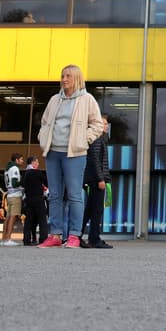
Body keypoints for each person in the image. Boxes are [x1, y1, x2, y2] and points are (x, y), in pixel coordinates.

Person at [36, 64, 105, 249]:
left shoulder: (86, 99)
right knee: (54, 195)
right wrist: (43, 140)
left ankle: (74, 235)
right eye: (62, 76)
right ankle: (55, 234)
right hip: (53, 152)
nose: (64, 79)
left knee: (75, 195)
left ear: (77, 79)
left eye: (68, 76)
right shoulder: (54, 100)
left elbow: (98, 125)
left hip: (74, 153)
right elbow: (44, 123)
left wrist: (84, 140)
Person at [82, 127, 113, 249]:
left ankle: (80, 236)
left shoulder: (100, 139)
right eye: (104, 123)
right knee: (96, 210)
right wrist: (101, 179)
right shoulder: (96, 139)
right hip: (96, 180)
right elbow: (94, 160)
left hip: (96, 179)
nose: (106, 126)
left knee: (90, 210)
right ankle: (94, 239)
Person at [22, 155, 48, 246]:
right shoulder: (37, 173)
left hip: (28, 199)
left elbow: (22, 185)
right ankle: (43, 239)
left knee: (28, 220)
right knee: (42, 220)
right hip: (38, 198)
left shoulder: (25, 173)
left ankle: (26, 240)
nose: (38, 164)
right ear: (33, 163)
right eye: (36, 162)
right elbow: (46, 182)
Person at [0, 153, 25, 247]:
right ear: (17, 160)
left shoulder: (7, 168)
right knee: (13, 217)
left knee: (8, 217)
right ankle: (8, 239)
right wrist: (23, 183)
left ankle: (4, 238)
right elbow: (15, 183)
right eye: (21, 159)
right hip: (15, 194)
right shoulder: (14, 168)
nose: (22, 161)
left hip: (9, 194)